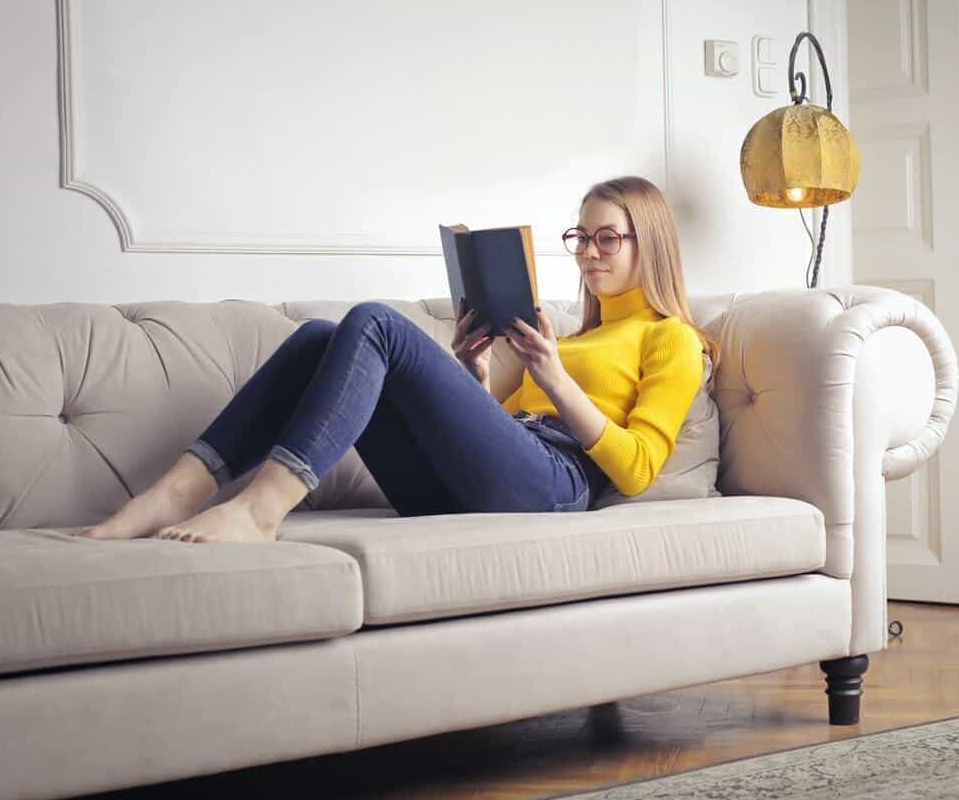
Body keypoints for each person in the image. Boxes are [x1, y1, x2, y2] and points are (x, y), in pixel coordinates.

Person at [77, 176, 718, 544]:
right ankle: (177, 489)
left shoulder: (673, 337)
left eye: (608, 237)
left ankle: (260, 510)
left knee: (377, 322)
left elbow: (635, 471)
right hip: (484, 482)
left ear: (649, 242)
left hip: (557, 485)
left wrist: (551, 375)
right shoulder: (571, 336)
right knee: (317, 338)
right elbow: (496, 431)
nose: (588, 252)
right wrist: (473, 372)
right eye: (580, 236)